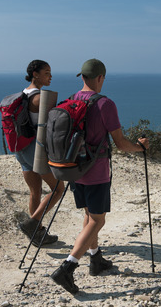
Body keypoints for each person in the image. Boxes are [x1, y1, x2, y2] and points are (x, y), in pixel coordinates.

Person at [50, 58, 148, 294]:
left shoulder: (72, 99)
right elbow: (122, 144)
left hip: (74, 169)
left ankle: (96, 259)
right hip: (96, 172)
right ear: (101, 78)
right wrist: (141, 147)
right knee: (98, 220)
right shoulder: (105, 104)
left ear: (81, 77)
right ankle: (67, 267)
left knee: (89, 217)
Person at [15, 60, 65, 245]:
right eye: (46, 72)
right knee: (58, 189)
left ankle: (37, 234)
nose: (50, 76)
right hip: (35, 150)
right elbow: (54, 123)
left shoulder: (23, 94)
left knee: (34, 192)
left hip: (21, 149)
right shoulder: (39, 98)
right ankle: (33, 223)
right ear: (35, 74)